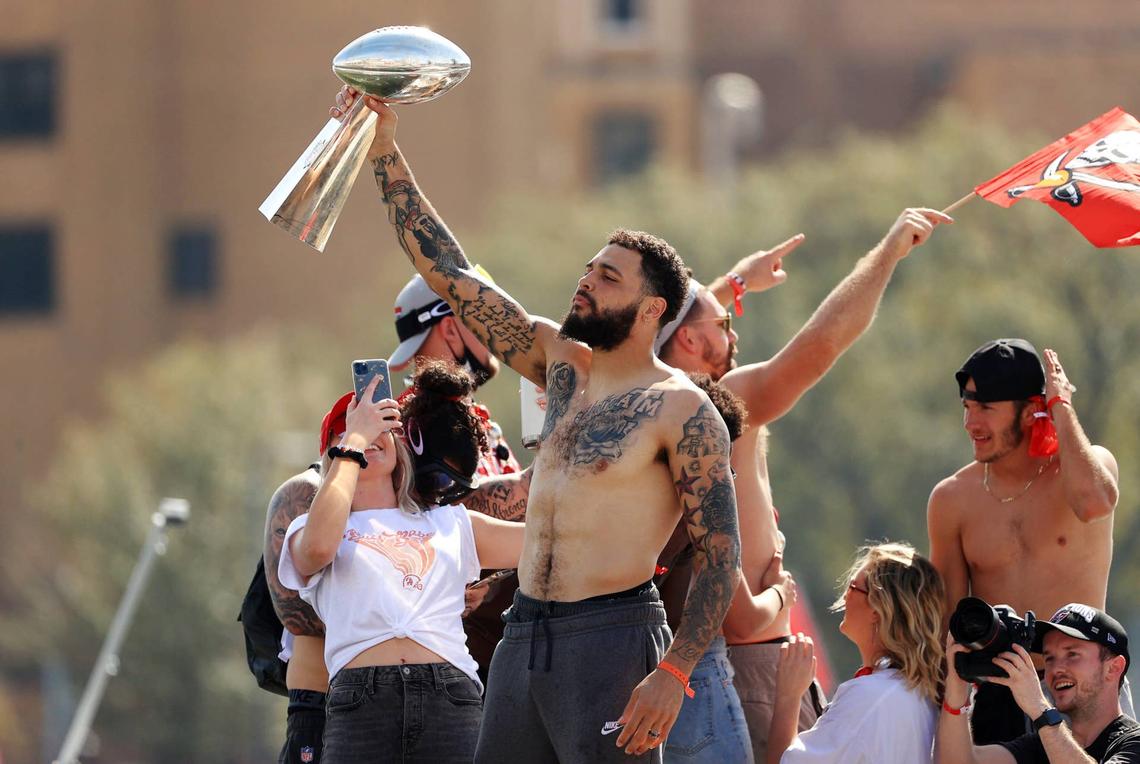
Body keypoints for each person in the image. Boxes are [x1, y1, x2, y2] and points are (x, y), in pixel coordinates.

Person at [335, 86, 742, 762]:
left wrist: (673, 673)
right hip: (524, 636)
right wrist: (385, 151)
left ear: (651, 309)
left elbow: (722, 557)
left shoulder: (683, 409)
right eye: (588, 269)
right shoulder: (558, 362)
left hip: (611, 635)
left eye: (608, 277)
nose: (585, 281)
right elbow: (451, 273)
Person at [656, 210, 950, 763]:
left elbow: (668, 331)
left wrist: (733, 284)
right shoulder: (717, 408)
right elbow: (820, 347)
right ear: (691, 340)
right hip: (746, 671)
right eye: (723, 324)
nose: (734, 332)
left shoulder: (646, 409)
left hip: (730, 666)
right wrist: (887, 253)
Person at [278, 362, 526, 761]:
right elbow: (318, 552)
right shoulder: (308, 527)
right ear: (334, 452)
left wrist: (558, 445)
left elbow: (547, 544)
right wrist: (355, 440)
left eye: (382, 424)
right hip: (360, 702)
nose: (370, 434)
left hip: (450, 696)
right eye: (350, 426)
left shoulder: (449, 519)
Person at [928, 339, 1124, 743]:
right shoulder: (951, 499)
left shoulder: (1085, 472)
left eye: (986, 407)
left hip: (1084, 693)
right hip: (995, 694)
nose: (970, 423)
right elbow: (946, 624)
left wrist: (1060, 408)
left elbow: (1095, 503)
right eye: (967, 406)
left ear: (1031, 408)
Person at [388, 272, 524, 686]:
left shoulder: (486, 428)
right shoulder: (409, 431)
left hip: (495, 670)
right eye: (485, 319)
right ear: (450, 327)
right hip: (437, 675)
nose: (495, 335)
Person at [767, 542, 945, 763]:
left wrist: (788, 697)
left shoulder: (869, 696)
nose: (844, 597)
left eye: (853, 587)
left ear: (878, 609)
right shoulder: (920, 693)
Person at [936, 603, 1140, 763]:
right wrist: (957, 687)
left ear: (1113, 668)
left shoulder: (1133, 742)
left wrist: (1040, 710)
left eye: (1072, 654)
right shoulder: (1044, 744)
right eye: (1049, 657)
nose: (1056, 669)